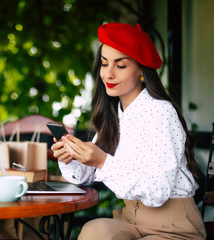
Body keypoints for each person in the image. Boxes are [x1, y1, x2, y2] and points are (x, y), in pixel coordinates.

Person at [51, 22, 206, 240]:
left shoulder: (161, 112)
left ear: (141, 70)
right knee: (94, 232)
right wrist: (72, 158)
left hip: (174, 226)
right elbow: (90, 174)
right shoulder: (115, 115)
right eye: (104, 64)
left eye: (120, 66)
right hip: (131, 220)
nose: (108, 74)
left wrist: (102, 161)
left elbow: (158, 192)